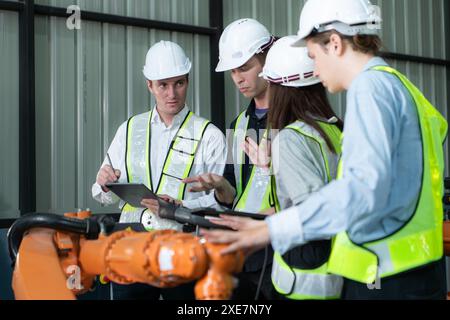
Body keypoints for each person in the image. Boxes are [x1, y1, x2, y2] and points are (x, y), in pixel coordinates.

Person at [202, 0, 448, 300]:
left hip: (386, 274)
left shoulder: (370, 89)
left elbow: (362, 190)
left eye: (312, 55)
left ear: (334, 44)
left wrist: (271, 229)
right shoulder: (397, 85)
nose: (312, 67)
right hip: (411, 267)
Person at [92, 40, 227, 299]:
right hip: (131, 251)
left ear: (188, 81)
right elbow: (102, 192)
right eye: (163, 85)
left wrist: (183, 206)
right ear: (149, 85)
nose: (172, 93)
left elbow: (222, 203)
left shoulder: (209, 136)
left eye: (179, 83)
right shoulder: (129, 129)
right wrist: (104, 182)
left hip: (183, 255)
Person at [184, 18, 278, 300]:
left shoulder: (294, 123)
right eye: (233, 70)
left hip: (279, 249)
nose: (238, 78)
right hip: (243, 253)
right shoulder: (238, 125)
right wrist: (220, 186)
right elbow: (234, 192)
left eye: (245, 68)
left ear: (267, 59)